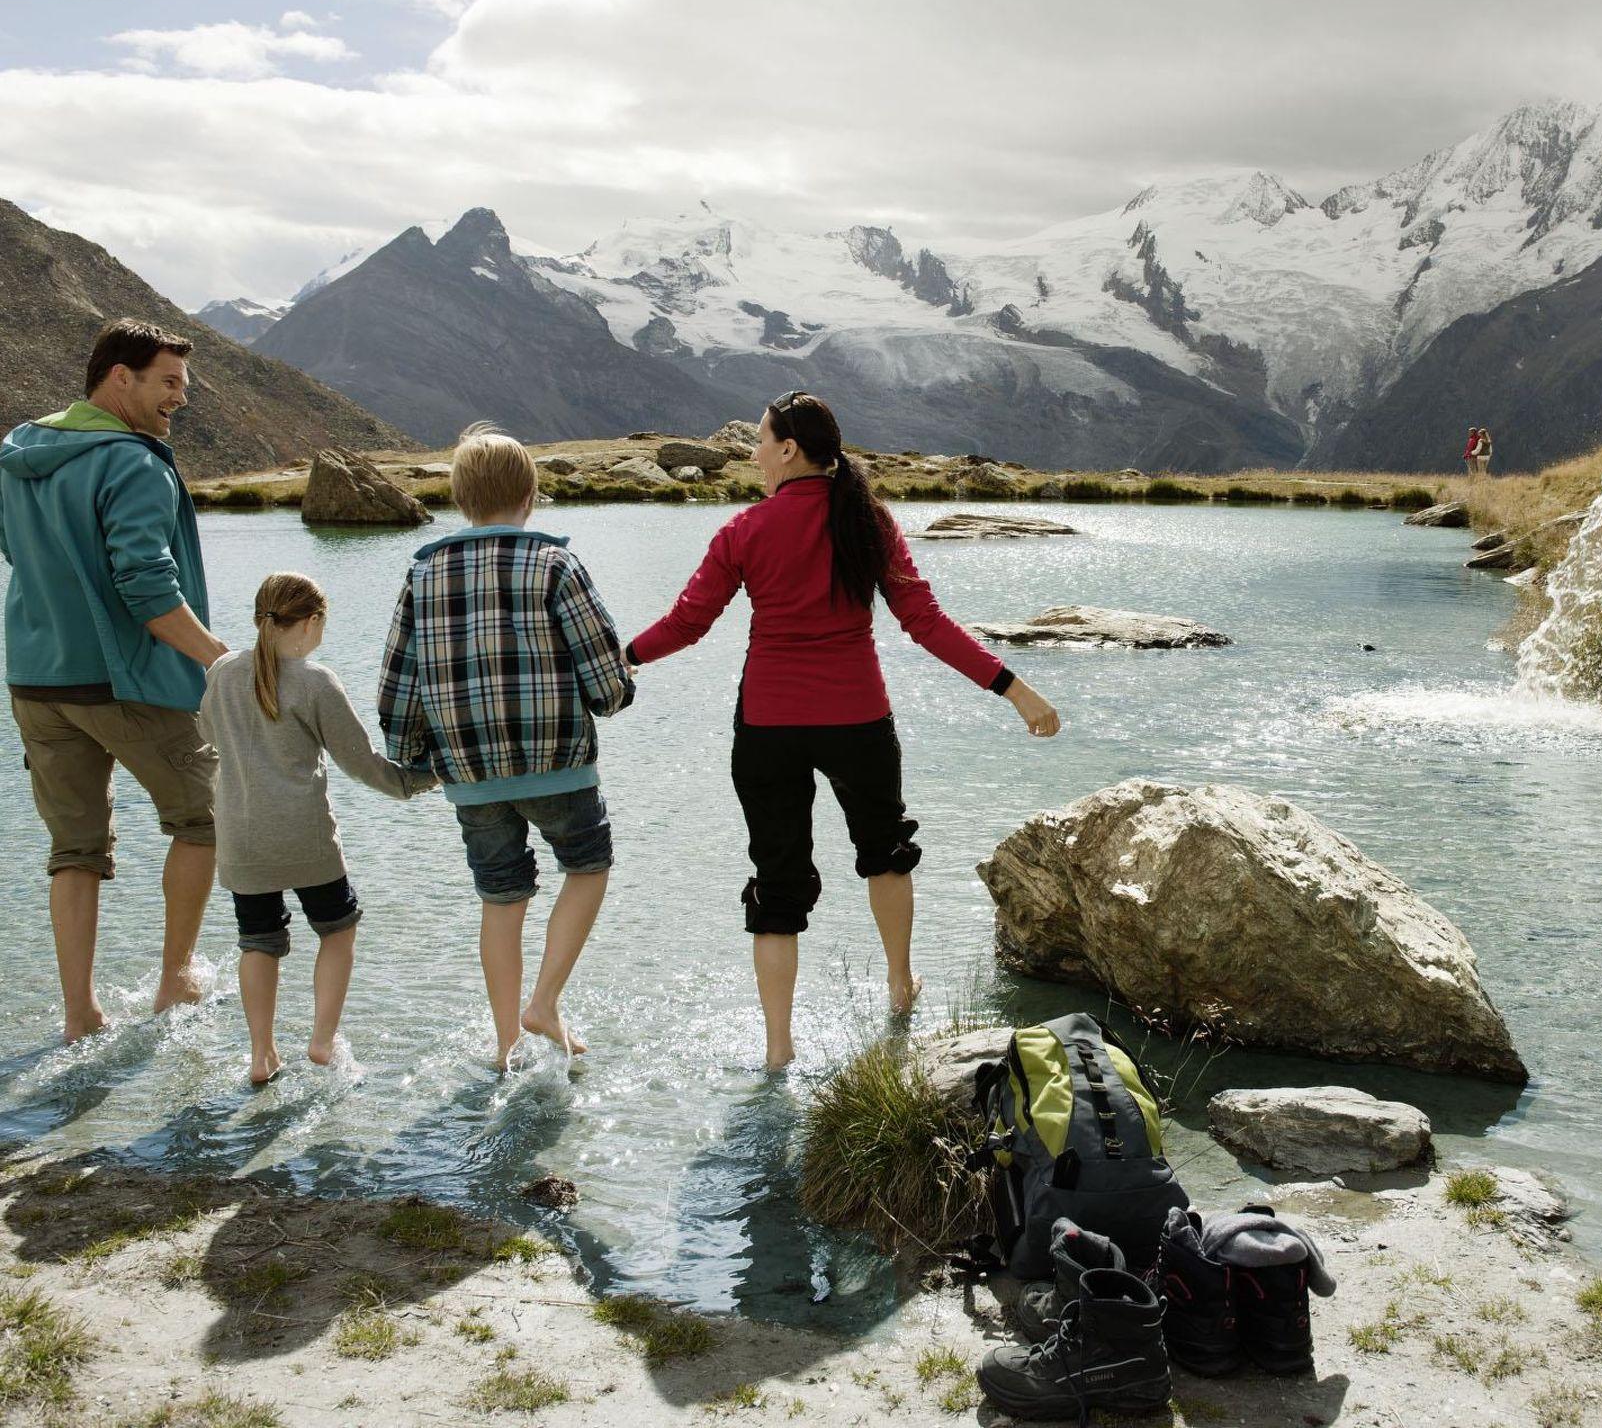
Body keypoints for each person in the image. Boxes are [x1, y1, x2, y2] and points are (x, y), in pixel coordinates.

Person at [627, 390, 1060, 1072]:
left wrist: (622, 658)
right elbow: (927, 623)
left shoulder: (743, 531)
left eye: (761, 439)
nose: (753, 451)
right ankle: (899, 984)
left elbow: (687, 624)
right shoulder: (870, 521)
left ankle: (777, 1048)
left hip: (768, 725)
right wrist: (1014, 688)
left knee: (776, 882)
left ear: (789, 449)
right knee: (885, 850)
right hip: (857, 719)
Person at [377, 424, 634, 1071]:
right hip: (558, 768)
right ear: (531, 495)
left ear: (461, 499)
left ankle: (505, 1043)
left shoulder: (422, 573)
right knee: (588, 866)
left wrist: (411, 757)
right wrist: (616, 696)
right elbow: (605, 683)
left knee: (500, 898)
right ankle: (544, 1003)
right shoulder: (556, 563)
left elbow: (397, 683)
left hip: (470, 777)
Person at [0, 319, 227, 1043]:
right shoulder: (133, 463)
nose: (179, 400)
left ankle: (80, 1015)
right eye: (168, 382)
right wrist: (222, 661)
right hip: (127, 681)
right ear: (118, 377)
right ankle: (175, 980)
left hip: (37, 679)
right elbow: (146, 586)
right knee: (206, 817)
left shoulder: (17, 454)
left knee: (75, 849)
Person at [199, 573, 437, 1086]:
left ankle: (262, 1055)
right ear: (309, 624)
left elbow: (206, 732)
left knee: (258, 941)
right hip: (304, 836)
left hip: (242, 840)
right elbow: (361, 763)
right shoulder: (315, 681)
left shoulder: (221, 673)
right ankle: (322, 1040)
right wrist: (419, 782)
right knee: (338, 929)